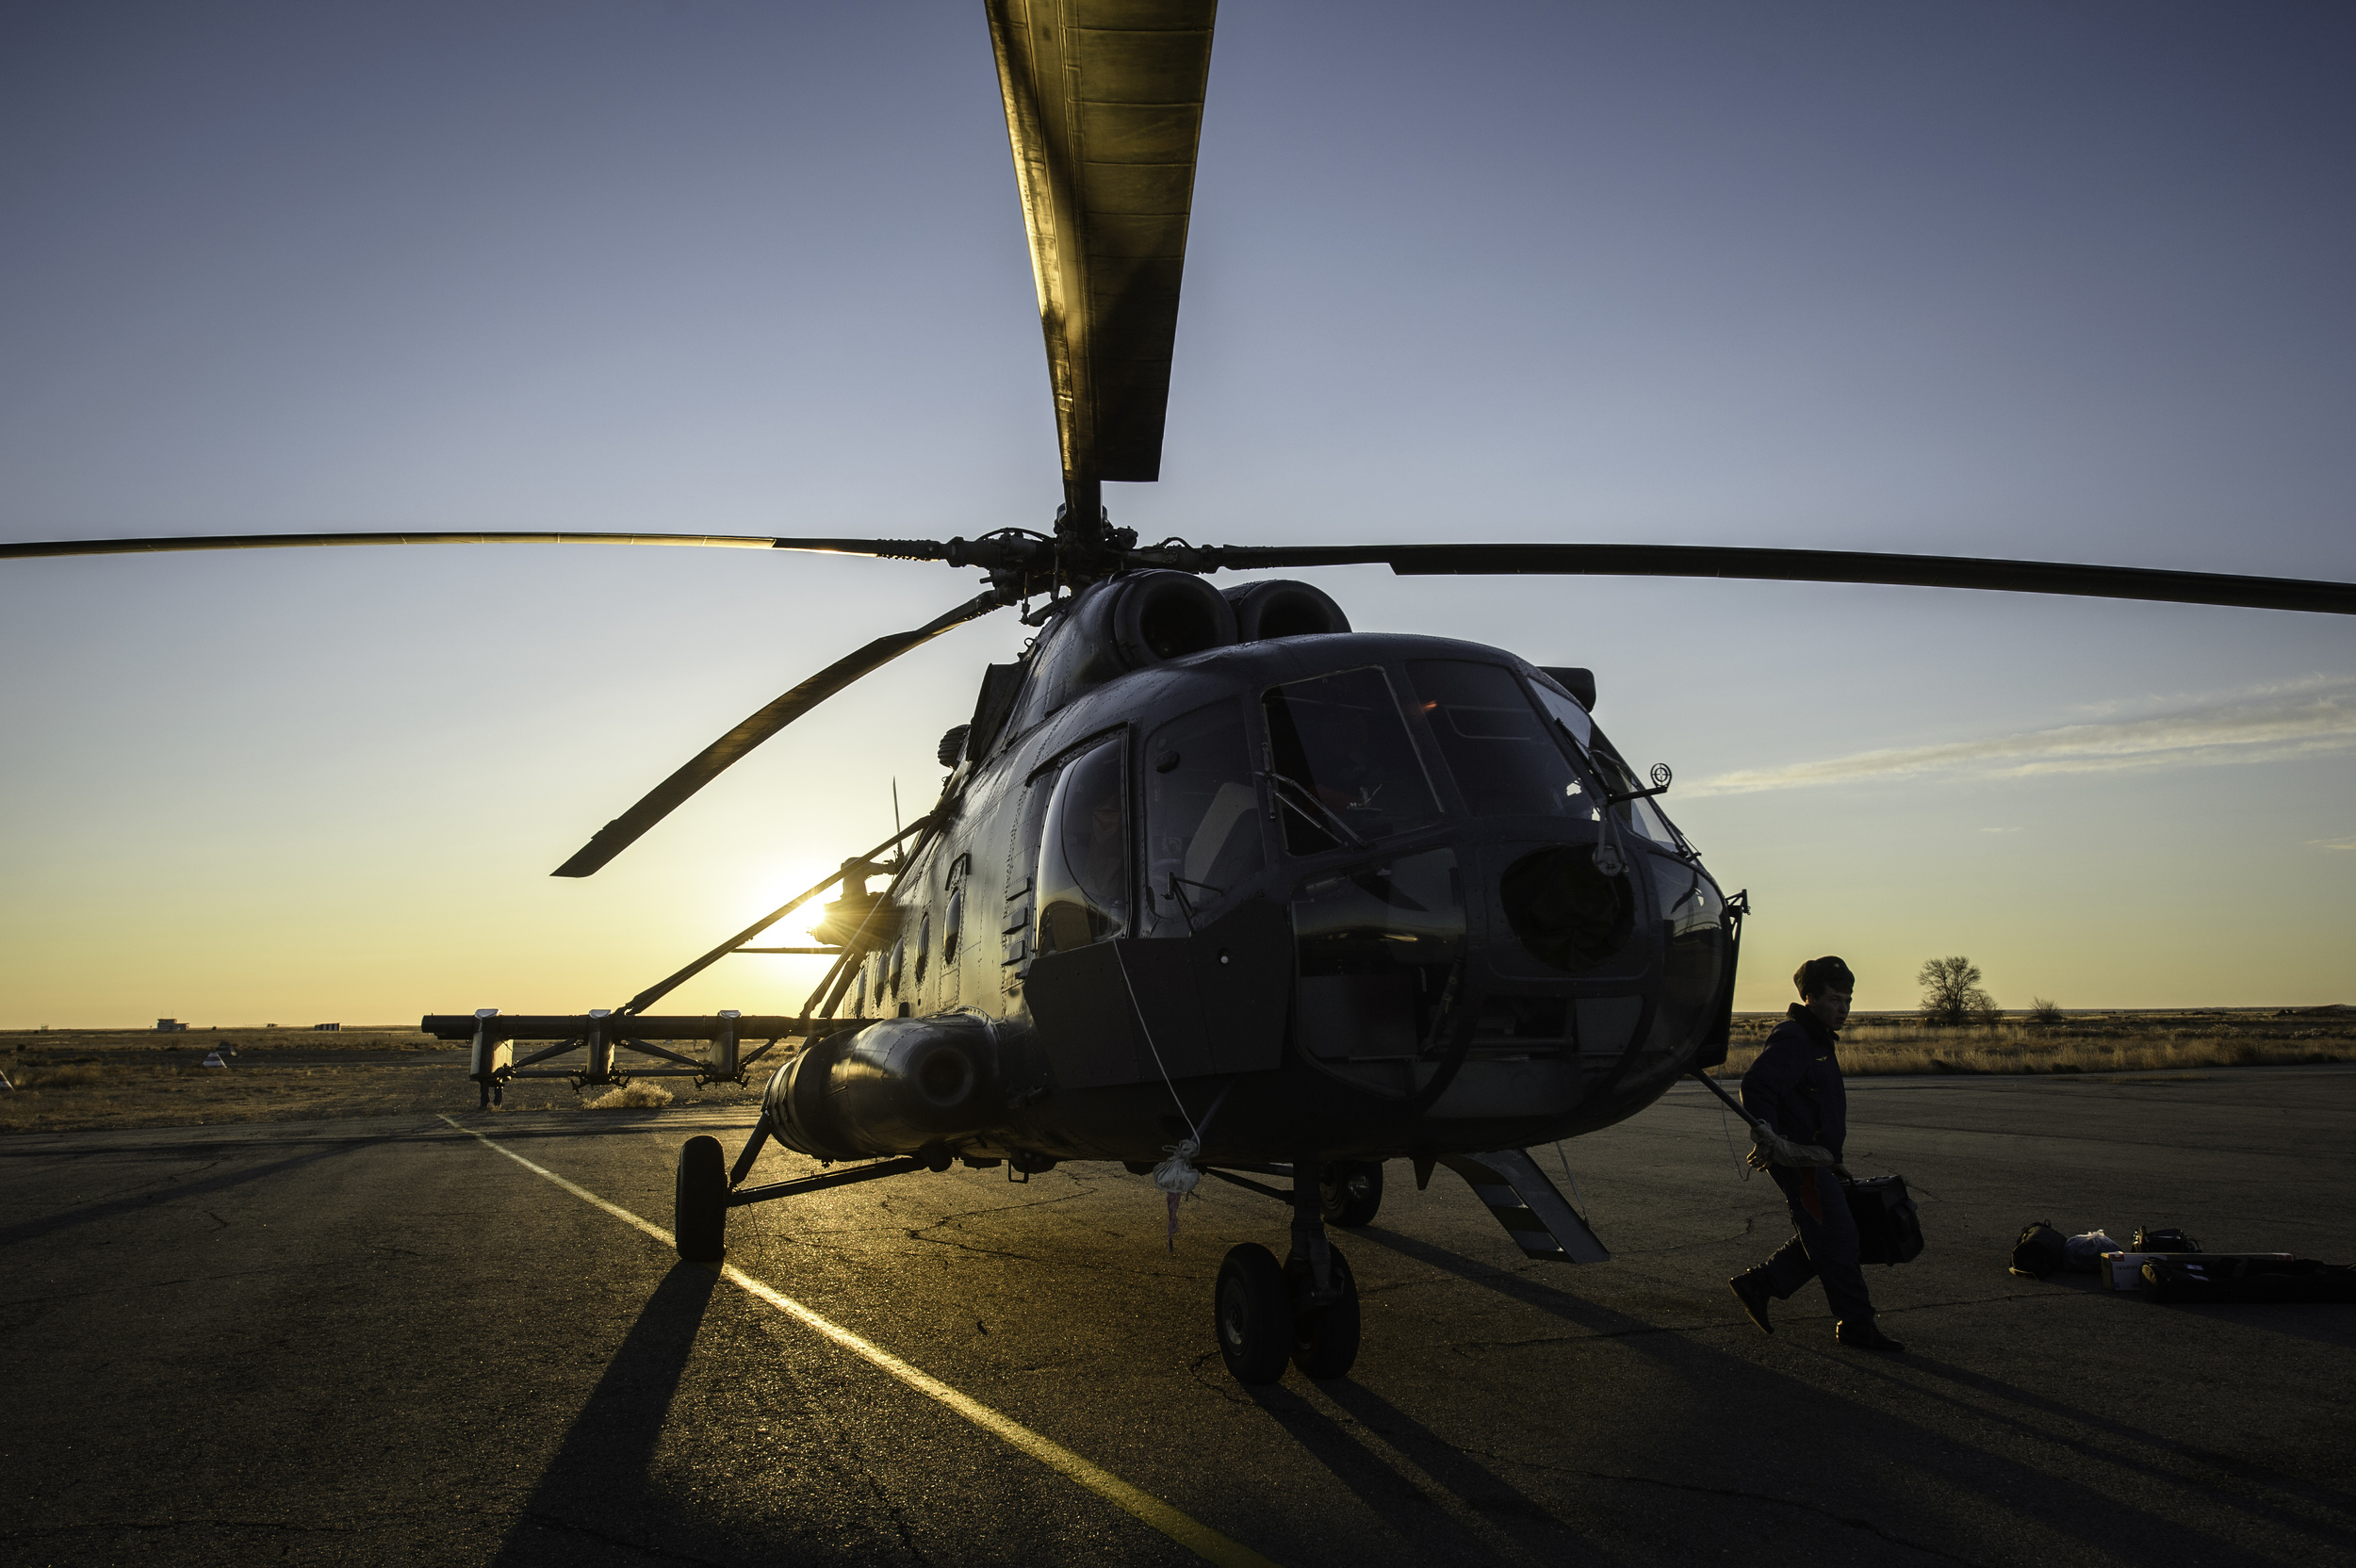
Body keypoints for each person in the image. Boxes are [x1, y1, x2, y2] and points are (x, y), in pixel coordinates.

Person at [1727, 956, 1905, 1353]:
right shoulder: (1795, 1038)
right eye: (1834, 999)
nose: (1843, 1009)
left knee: (1832, 1231)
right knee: (1839, 1237)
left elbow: (1816, 1107)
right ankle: (1857, 1324)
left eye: (1848, 1000)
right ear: (1809, 998)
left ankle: (1761, 1283)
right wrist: (1770, 1139)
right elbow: (1756, 1087)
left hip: (1816, 1160)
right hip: (1798, 1162)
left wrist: (1831, 1156)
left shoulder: (1817, 1038)